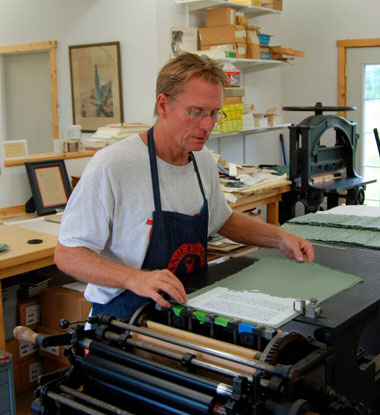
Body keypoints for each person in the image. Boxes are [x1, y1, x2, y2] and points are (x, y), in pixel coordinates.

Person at [55, 52, 314, 320]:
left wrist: (279, 237)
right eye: (195, 112)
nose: (207, 125)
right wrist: (135, 279)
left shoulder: (202, 160)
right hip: (125, 319)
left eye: (214, 113)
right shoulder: (114, 165)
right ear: (164, 104)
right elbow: (68, 255)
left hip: (184, 309)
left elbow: (221, 219)